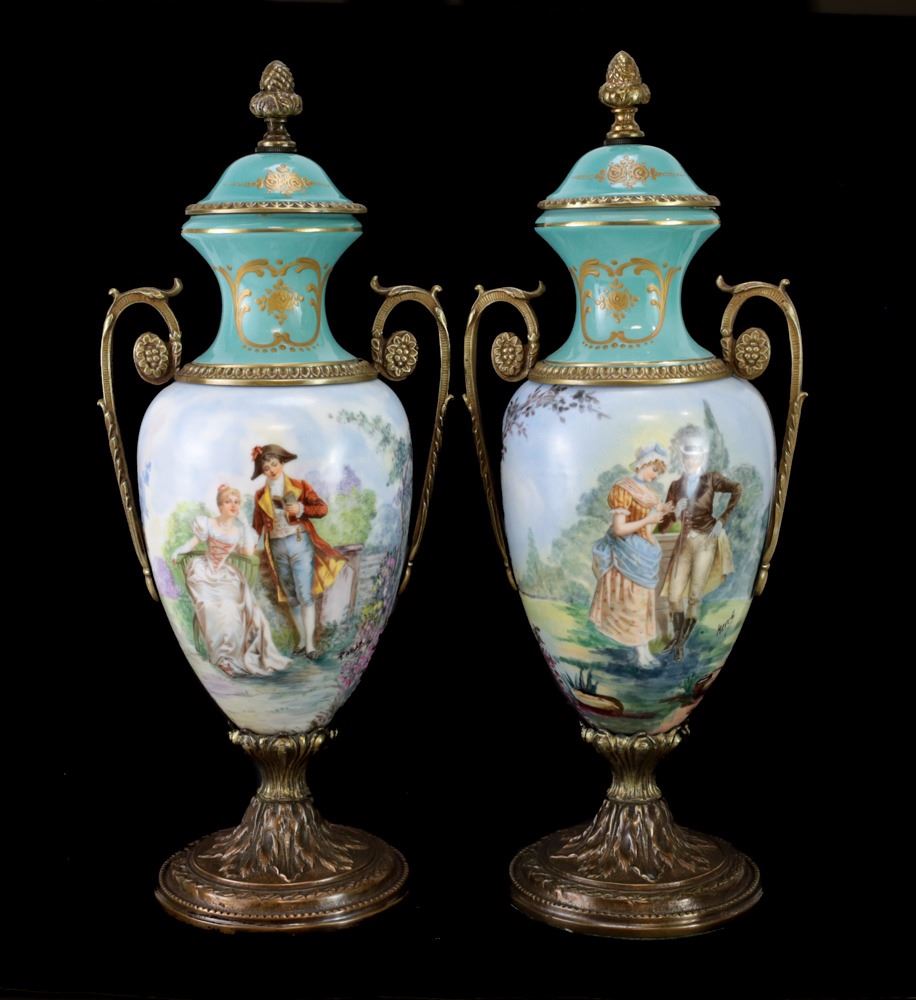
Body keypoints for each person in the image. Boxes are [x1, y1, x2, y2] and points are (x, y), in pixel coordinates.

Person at [172, 485, 290, 678]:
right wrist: (179, 551)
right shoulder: (208, 523)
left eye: (236, 502)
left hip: (225, 576)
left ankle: (230, 658)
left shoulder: (238, 531)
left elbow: (248, 553)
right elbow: (193, 543)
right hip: (203, 573)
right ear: (220, 505)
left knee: (230, 608)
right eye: (228, 502)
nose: (233, 505)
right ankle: (221, 658)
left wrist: (245, 525)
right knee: (208, 606)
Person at [251, 443, 347, 658]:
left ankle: (311, 645)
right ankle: (302, 640)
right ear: (263, 472)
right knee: (291, 596)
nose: (271, 470)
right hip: (276, 546)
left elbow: (322, 508)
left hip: (299, 542)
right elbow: (256, 525)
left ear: (282, 462)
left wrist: (301, 509)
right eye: (266, 468)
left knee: (304, 594)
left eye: (274, 464)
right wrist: (249, 544)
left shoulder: (299, 485)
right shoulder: (260, 495)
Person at [658, 425, 742, 661]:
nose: (690, 461)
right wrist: (674, 512)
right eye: (687, 457)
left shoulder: (711, 479)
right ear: (682, 458)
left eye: (694, 457)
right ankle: (678, 639)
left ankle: (679, 644)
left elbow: (737, 489)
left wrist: (722, 520)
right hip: (684, 543)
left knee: (694, 595)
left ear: (701, 458)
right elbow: (663, 526)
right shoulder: (675, 486)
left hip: (706, 540)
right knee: (674, 596)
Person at [589, 443, 673, 668]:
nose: (656, 476)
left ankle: (644, 653)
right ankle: (640, 653)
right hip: (625, 553)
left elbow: (648, 528)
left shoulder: (651, 495)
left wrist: (659, 513)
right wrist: (648, 519)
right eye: (654, 470)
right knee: (632, 603)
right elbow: (619, 529)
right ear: (643, 464)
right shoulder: (623, 489)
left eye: (659, 472)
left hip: (643, 553)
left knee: (643, 603)